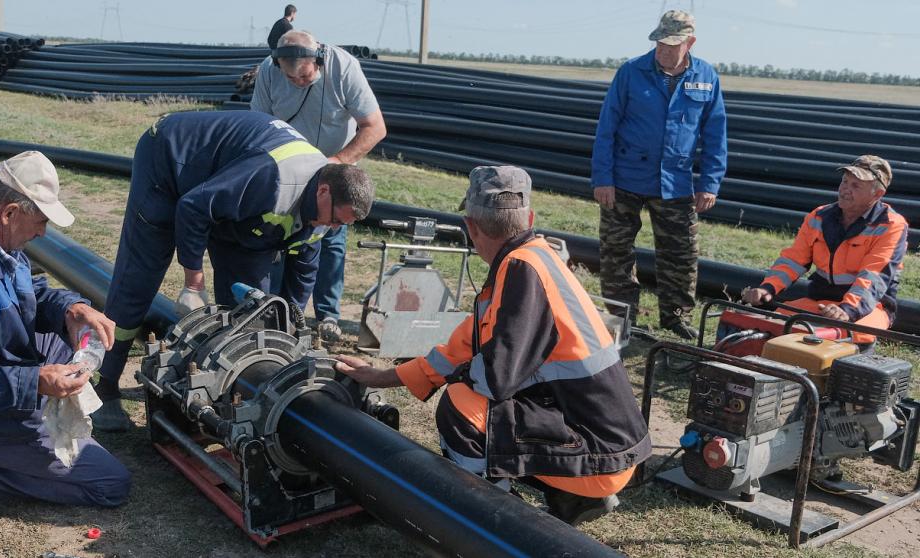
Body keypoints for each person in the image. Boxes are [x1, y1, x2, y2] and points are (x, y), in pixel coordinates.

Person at [335, 166, 652, 525]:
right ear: (529, 218)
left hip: (597, 457)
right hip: (610, 445)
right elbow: (464, 345)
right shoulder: (535, 257)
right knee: (478, 399)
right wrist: (382, 376)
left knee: (462, 406)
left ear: (470, 226)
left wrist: (454, 379)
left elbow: (493, 378)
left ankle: (487, 523)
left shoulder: (521, 270)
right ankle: (570, 499)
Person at [93, 110, 374, 432]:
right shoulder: (274, 178)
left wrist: (291, 327)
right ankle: (106, 385)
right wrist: (193, 283)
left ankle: (224, 391)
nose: (334, 227)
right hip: (173, 162)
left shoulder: (326, 215)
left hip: (237, 204)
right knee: (139, 279)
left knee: (251, 308)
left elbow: (303, 273)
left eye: (342, 224)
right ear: (323, 191)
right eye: (336, 220)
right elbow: (194, 207)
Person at [0, 152, 131, 529]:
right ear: (9, 212)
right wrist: (34, 382)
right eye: (40, 221)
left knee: (77, 347)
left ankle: (23, 433)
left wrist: (72, 309)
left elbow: (27, 294)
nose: (43, 232)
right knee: (111, 484)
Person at [591, 10, 727, 340]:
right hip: (624, 178)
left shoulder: (706, 77)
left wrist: (709, 182)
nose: (664, 50)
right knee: (616, 250)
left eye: (672, 44)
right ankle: (622, 314)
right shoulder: (631, 71)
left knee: (681, 253)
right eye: (660, 43)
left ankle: (676, 315)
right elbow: (606, 126)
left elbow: (715, 134)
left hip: (676, 181)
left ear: (690, 42)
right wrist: (602, 178)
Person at [251, 29, 387, 344]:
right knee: (278, 241)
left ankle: (327, 316)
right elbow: (257, 127)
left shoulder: (344, 67)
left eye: (305, 77)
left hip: (335, 168)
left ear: (320, 60)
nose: (299, 83)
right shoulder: (270, 72)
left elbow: (375, 127)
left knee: (332, 241)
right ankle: (273, 311)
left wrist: (337, 162)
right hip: (288, 173)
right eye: (292, 79)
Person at [742, 155, 907, 344]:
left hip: (869, 307)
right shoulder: (819, 216)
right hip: (820, 302)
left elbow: (874, 276)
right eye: (845, 182)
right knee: (777, 322)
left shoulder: (891, 225)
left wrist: (848, 310)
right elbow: (793, 260)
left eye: (856, 186)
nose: (845, 189)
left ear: (877, 195)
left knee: (843, 334)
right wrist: (768, 287)